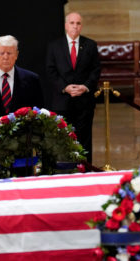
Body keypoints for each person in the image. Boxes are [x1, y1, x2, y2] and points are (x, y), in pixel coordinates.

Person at [46, 12, 101, 163]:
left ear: (81, 26)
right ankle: (64, 169)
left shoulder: (90, 45)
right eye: (72, 23)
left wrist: (85, 87)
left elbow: (96, 70)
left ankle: (85, 168)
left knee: (84, 138)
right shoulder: (54, 46)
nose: (75, 26)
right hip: (62, 101)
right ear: (66, 25)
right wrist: (65, 87)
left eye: (78, 23)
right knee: (62, 138)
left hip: (84, 101)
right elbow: (50, 71)